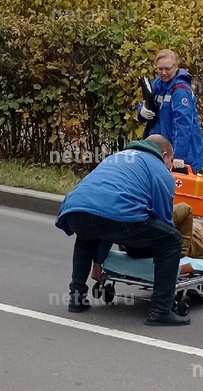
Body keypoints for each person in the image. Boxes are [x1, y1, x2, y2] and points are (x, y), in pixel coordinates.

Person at [55, 134, 189, 326]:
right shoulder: (160, 170)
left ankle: (76, 298)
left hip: (76, 209)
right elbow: (163, 219)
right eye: (170, 161)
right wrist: (158, 249)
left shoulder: (116, 157)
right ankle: (160, 310)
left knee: (86, 237)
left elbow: (104, 214)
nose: (170, 166)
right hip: (116, 214)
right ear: (165, 154)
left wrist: (98, 263)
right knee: (172, 240)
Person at [137, 49, 203, 174]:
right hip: (161, 150)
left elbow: (183, 124)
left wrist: (178, 155)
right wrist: (141, 112)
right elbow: (147, 103)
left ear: (175, 67)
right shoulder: (158, 84)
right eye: (160, 69)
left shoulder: (180, 90)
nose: (163, 73)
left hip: (181, 154)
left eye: (167, 69)